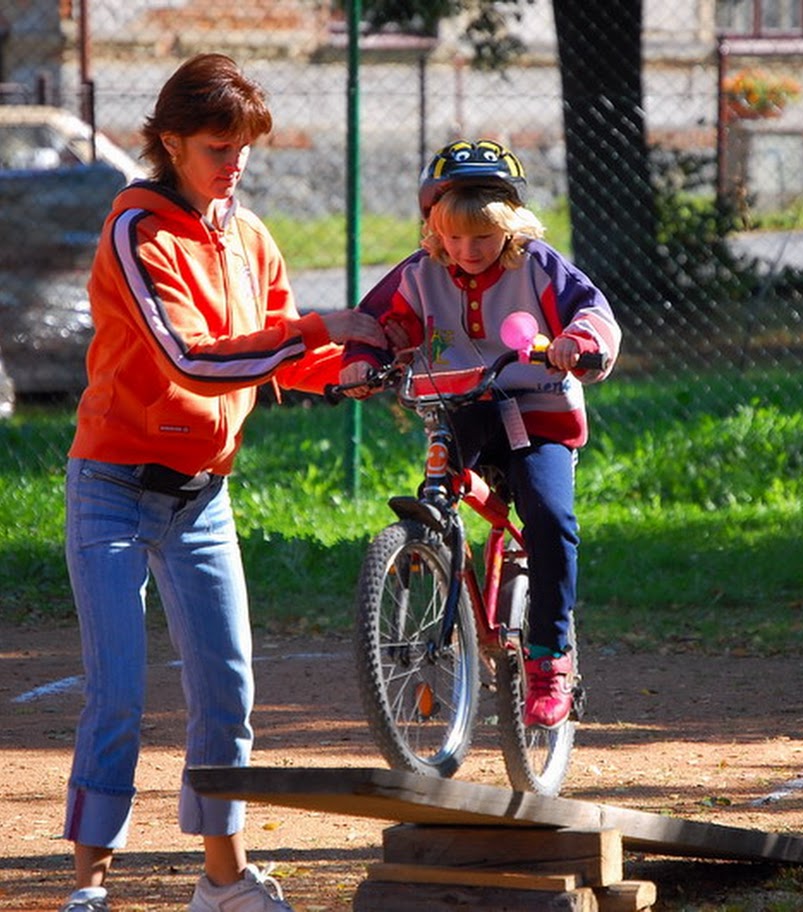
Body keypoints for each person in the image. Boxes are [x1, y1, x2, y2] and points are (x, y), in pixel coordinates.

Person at [60, 53, 385, 912]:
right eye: (216, 148)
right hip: (112, 487)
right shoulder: (138, 229)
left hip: (203, 493)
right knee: (118, 693)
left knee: (227, 692)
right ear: (171, 143)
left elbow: (284, 349)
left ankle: (224, 880)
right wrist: (316, 330)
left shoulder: (247, 234)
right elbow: (190, 362)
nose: (233, 164)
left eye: (242, 149)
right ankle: (89, 887)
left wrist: (356, 365)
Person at [339, 138, 622, 730]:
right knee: (436, 494)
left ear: (512, 226)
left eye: (483, 238)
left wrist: (579, 345)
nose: (466, 250)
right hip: (458, 408)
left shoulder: (538, 265)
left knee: (548, 518)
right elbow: (376, 323)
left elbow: (592, 312)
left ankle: (550, 656)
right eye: (453, 237)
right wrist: (363, 359)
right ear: (433, 229)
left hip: (537, 410)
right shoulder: (419, 276)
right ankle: (434, 575)